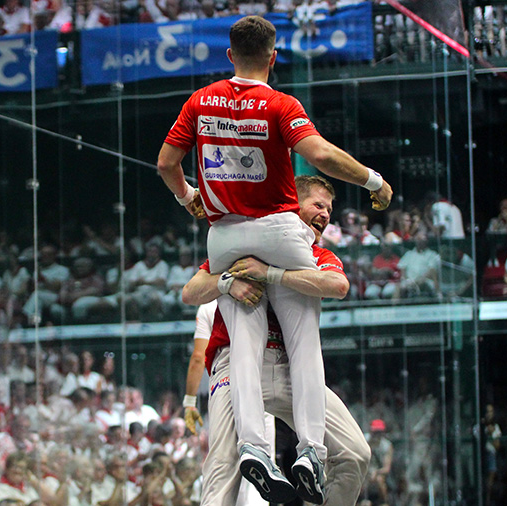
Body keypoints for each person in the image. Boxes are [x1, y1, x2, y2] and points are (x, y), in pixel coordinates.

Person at [157, 15, 391, 504]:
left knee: (245, 336)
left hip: (224, 234)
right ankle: (309, 452)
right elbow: (320, 153)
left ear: (228, 56)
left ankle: (257, 450)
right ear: (273, 56)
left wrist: (188, 199)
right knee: (305, 340)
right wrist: (372, 180)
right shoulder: (281, 103)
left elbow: (165, 163)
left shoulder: (200, 101)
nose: (324, 214)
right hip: (276, 230)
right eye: (319, 206)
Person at [181, 176, 370, 506]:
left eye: (329, 209)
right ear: (292, 206)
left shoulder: (316, 254)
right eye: (318, 205)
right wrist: (227, 282)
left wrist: (271, 274)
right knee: (223, 469)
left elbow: (337, 285)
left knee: (356, 453)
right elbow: (190, 292)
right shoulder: (241, 250)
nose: (326, 215)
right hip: (232, 370)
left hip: (290, 370)